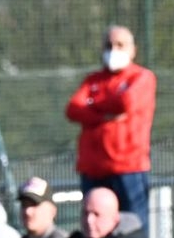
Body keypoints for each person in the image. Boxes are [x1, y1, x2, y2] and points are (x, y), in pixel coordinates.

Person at [65, 24, 156, 226]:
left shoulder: (141, 77)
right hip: (93, 169)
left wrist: (94, 105)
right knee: (94, 226)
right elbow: (73, 109)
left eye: (120, 45)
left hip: (128, 168)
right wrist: (105, 114)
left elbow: (126, 102)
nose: (113, 50)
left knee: (133, 226)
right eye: (109, 45)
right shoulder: (93, 80)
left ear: (133, 50)